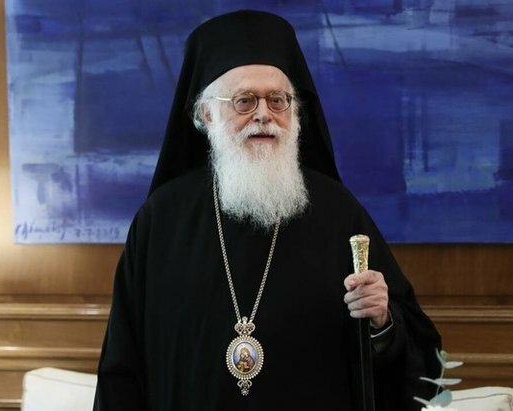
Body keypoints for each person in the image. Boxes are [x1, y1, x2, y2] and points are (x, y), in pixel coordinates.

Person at [94, 10, 441, 411]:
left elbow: (420, 355)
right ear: (207, 115)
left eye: (278, 100)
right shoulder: (160, 222)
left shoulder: (338, 212)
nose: (264, 115)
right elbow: (123, 370)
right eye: (245, 100)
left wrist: (382, 321)